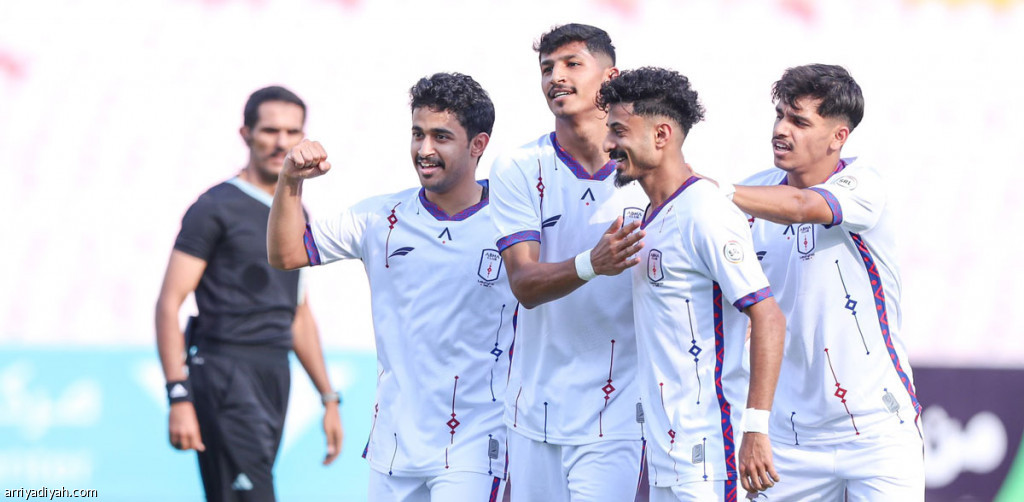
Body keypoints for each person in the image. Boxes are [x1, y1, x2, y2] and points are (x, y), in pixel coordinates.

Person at [267, 72, 514, 502]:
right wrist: (290, 180)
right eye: (418, 134)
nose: (424, 149)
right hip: (393, 446)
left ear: (478, 145)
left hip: (476, 446)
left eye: (441, 137)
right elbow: (285, 254)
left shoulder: (515, 221)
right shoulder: (379, 218)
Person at [723, 64, 924, 500]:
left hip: (878, 431)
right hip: (786, 439)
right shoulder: (750, 196)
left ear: (838, 137)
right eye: (779, 115)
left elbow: (800, 205)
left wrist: (708, 193)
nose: (781, 129)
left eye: (799, 121)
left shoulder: (864, 184)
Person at [597, 67, 787, 501]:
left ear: (661, 134)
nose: (607, 144)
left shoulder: (705, 211)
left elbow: (769, 316)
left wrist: (756, 429)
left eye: (618, 131)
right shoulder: (651, 216)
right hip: (667, 453)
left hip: (710, 453)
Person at [155, 85, 343, 502]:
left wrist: (328, 398)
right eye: (270, 130)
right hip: (224, 371)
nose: (281, 142)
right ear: (246, 134)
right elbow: (169, 302)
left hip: (274, 373)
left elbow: (297, 312)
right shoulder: (214, 207)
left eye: (292, 132)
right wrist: (178, 394)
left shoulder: (296, 210)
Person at [489, 23, 649, 502]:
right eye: (547, 68)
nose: (556, 77)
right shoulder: (518, 166)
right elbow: (523, 283)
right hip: (532, 411)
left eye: (572, 64)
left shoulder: (650, 173)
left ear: (610, 77)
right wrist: (591, 264)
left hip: (618, 414)